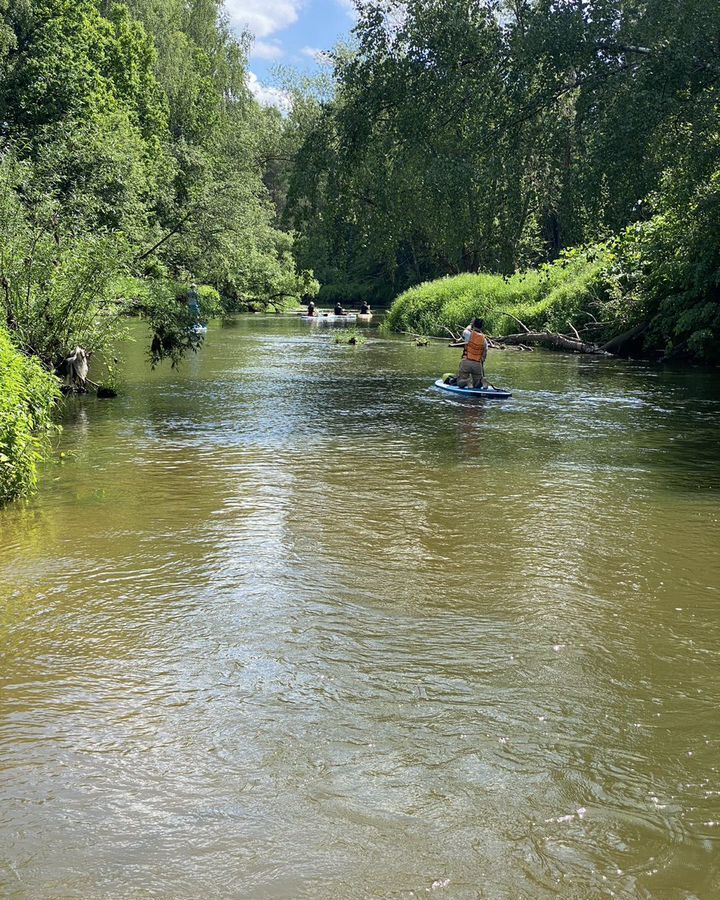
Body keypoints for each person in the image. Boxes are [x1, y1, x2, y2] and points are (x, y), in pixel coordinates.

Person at [455, 317, 488, 389]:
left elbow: (464, 332)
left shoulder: (469, 334)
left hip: (466, 361)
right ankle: (483, 381)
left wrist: (470, 324)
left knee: (460, 382)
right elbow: (484, 354)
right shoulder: (484, 339)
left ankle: (467, 381)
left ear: (473, 324)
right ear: (481, 327)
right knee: (477, 385)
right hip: (477, 364)